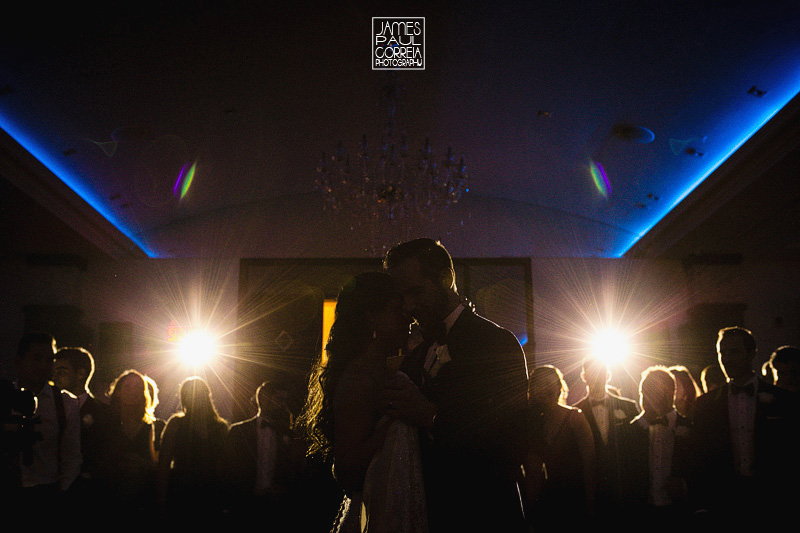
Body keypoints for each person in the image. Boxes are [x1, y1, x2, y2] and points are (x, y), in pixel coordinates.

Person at [382, 238, 530, 532]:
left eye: (416, 292)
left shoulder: (496, 342)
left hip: (486, 513)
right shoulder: (417, 355)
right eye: (403, 297)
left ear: (447, 278)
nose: (409, 306)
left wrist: (430, 416)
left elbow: (512, 441)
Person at [298, 271, 423, 532]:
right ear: (371, 319)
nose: (407, 318)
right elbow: (347, 471)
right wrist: (392, 426)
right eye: (396, 310)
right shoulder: (359, 378)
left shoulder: (383, 371)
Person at [690, 327, 798, 525]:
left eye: (734, 352)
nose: (727, 359)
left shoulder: (784, 400)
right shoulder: (706, 404)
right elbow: (701, 456)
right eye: (722, 353)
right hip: (725, 502)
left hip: (772, 501)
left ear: (752, 353)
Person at [11, 333, 81, 514]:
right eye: (36, 358)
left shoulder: (65, 403)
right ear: (19, 362)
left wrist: (61, 492)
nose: (43, 366)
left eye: (49, 360)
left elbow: (71, 455)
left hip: (46, 494)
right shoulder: (6, 397)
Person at [521, 365, 596, 528]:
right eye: (540, 384)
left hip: (575, 498)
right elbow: (532, 472)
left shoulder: (575, 418)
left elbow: (589, 464)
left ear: (559, 387)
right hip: (547, 502)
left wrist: (590, 503)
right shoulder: (531, 423)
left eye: (550, 383)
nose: (546, 388)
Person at [572, 355, 641, 519]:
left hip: (625, 490)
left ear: (608, 375)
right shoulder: (574, 413)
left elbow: (638, 449)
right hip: (593, 492)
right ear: (584, 377)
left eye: (600, 373)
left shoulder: (628, 406)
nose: (597, 378)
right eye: (592, 374)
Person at [158, 376, 230, 525]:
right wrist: (162, 499)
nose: (194, 399)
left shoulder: (220, 428)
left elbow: (224, 466)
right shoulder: (176, 424)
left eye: (197, 394)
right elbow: (163, 464)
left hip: (210, 494)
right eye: (189, 395)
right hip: (181, 493)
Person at [227, 379, 301, 524]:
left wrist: (283, 487)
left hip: (276, 510)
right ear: (264, 399)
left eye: (284, 400)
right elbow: (229, 470)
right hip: (243, 507)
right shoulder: (238, 432)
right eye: (279, 399)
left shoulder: (289, 435)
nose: (282, 405)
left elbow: (294, 470)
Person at [630, 366, 692, 526]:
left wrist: (684, 486)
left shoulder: (689, 427)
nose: (649, 399)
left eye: (657, 392)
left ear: (671, 393)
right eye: (646, 393)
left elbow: (702, 469)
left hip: (679, 512)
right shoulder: (627, 432)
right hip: (641, 514)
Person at [95, 369, 159, 521]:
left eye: (138, 387)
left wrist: (143, 465)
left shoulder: (150, 427)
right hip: (108, 496)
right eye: (127, 386)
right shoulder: (105, 423)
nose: (132, 391)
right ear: (118, 392)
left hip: (141, 498)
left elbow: (154, 463)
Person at [52, 347, 113, 498]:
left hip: (87, 491)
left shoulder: (103, 413)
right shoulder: (48, 407)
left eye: (62, 371)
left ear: (80, 373)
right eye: (54, 371)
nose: (56, 377)